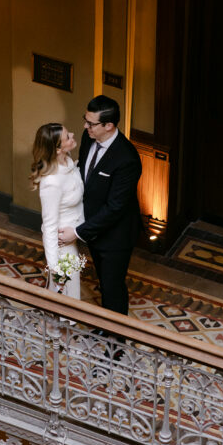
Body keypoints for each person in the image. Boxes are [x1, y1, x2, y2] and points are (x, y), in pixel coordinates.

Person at [58, 95, 142, 316]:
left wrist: (77, 232)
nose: (85, 126)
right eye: (85, 120)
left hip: (116, 236)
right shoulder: (88, 138)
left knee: (112, 286)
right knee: (103, 280)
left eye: (91, 123)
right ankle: (105, 323)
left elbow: (115, 208)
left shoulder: (127, 159)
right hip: (93, 227)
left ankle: (117, 341)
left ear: (109, 125)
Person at [30, 123, 85, 299]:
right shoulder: (51, 183)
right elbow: (50, 226)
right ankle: (56, 327)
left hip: (74, 238)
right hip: (64, 248)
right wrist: (55, 269)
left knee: (70, 294)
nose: (73, 135)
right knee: (65, 297)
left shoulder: (68, 161)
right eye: (68, 136)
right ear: (58, 149)